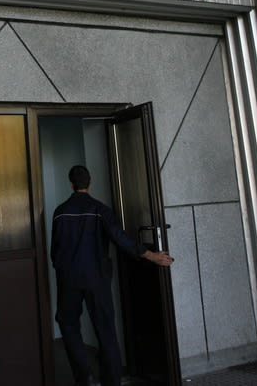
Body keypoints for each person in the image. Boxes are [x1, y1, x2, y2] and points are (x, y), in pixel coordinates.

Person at [50, 164, 173, 386]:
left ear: (71, 183)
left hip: (68, 278)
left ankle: (85, 377)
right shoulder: (101, 210)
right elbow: (120, 238)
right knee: (105, 329)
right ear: (90, 182)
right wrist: (150, 255)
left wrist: (61, 267)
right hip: (97, 278)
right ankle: (112, 380)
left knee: (68, 324)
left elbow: (54, 249)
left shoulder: (60, 212)